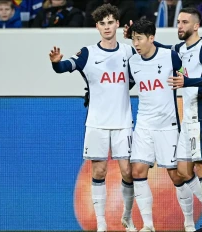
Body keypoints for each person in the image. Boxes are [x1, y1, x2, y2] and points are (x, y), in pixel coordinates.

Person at [125, 7, 202, 232]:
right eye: (178, 22)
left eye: (184, 22)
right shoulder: (179, 50)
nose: (179, 26)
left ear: (196, 26)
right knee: (182, 171)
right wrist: (134, 35)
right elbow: (157, 48)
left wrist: (187, 83)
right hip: (189, 116)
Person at [49, 3, 136, 232]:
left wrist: (135, 35)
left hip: (123, 122)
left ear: (117, 24)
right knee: (98, 172)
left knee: (127, 171)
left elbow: (148, 63)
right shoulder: (88, 53)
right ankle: (101, 223)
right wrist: (56, 62)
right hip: (97, 123)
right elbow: (65, 67)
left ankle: (127, 217)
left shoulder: (128, 52)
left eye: (110, 22)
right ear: (97, 26)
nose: (107, 27)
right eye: (102, 23)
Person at [127, 18, 195, 232]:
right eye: (133, 39)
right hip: (144, 124)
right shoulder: (132, 62)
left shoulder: (170, 56)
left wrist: (183, 78)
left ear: (151, 38)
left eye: (139, 39)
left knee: (176, 175)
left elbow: (186, 75)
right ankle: (148, 225)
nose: (136, 44)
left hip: (168, 125)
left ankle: (189, 222)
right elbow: (125, 86)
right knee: (137, 171)